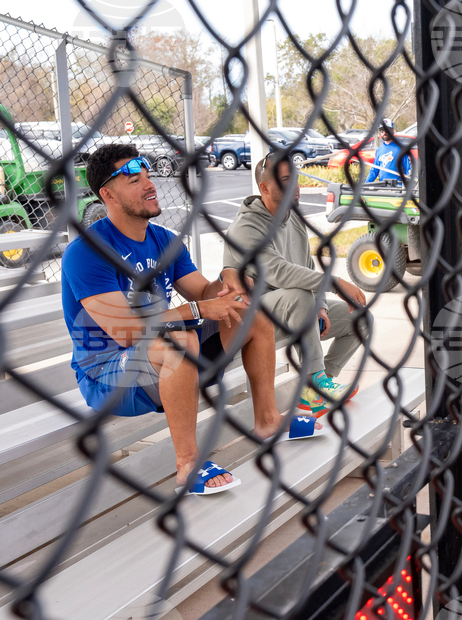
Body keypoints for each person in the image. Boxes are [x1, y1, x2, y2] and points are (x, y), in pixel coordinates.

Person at [63, 144, 301, 496]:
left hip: (163, 355)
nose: (149, 183)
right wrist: (197, 311)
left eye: (148, 174)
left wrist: (230, 278)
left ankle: (267, 421)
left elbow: (204, 293)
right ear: (107, 195)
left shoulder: (164, 241)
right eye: (133, 178)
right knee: (181, 339)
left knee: (251, 314)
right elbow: (125, 331)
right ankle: (188, 464)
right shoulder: (87, 251)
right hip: (107, 372)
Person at [223, 151, 370, 418]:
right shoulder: (246, 227)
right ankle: (314, 383)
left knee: (360, 318)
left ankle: (317, 385)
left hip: (292, 311)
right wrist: (335, 283)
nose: (296, 187)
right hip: (251, 318)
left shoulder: (292, 218)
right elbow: (280, 273)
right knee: (300, 296)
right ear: (265, 187)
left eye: (297, 179)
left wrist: (322, 306)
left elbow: (306, 268)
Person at [365, 118, 411, 184]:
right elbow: (374, 171)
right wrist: (365, 185)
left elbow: (408, 169)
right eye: (382, 130)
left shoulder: (401, 147)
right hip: (383, 188)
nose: (384, 132)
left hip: (398, 189)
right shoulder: (379, 150)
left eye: (387, 129)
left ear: (392, 130)